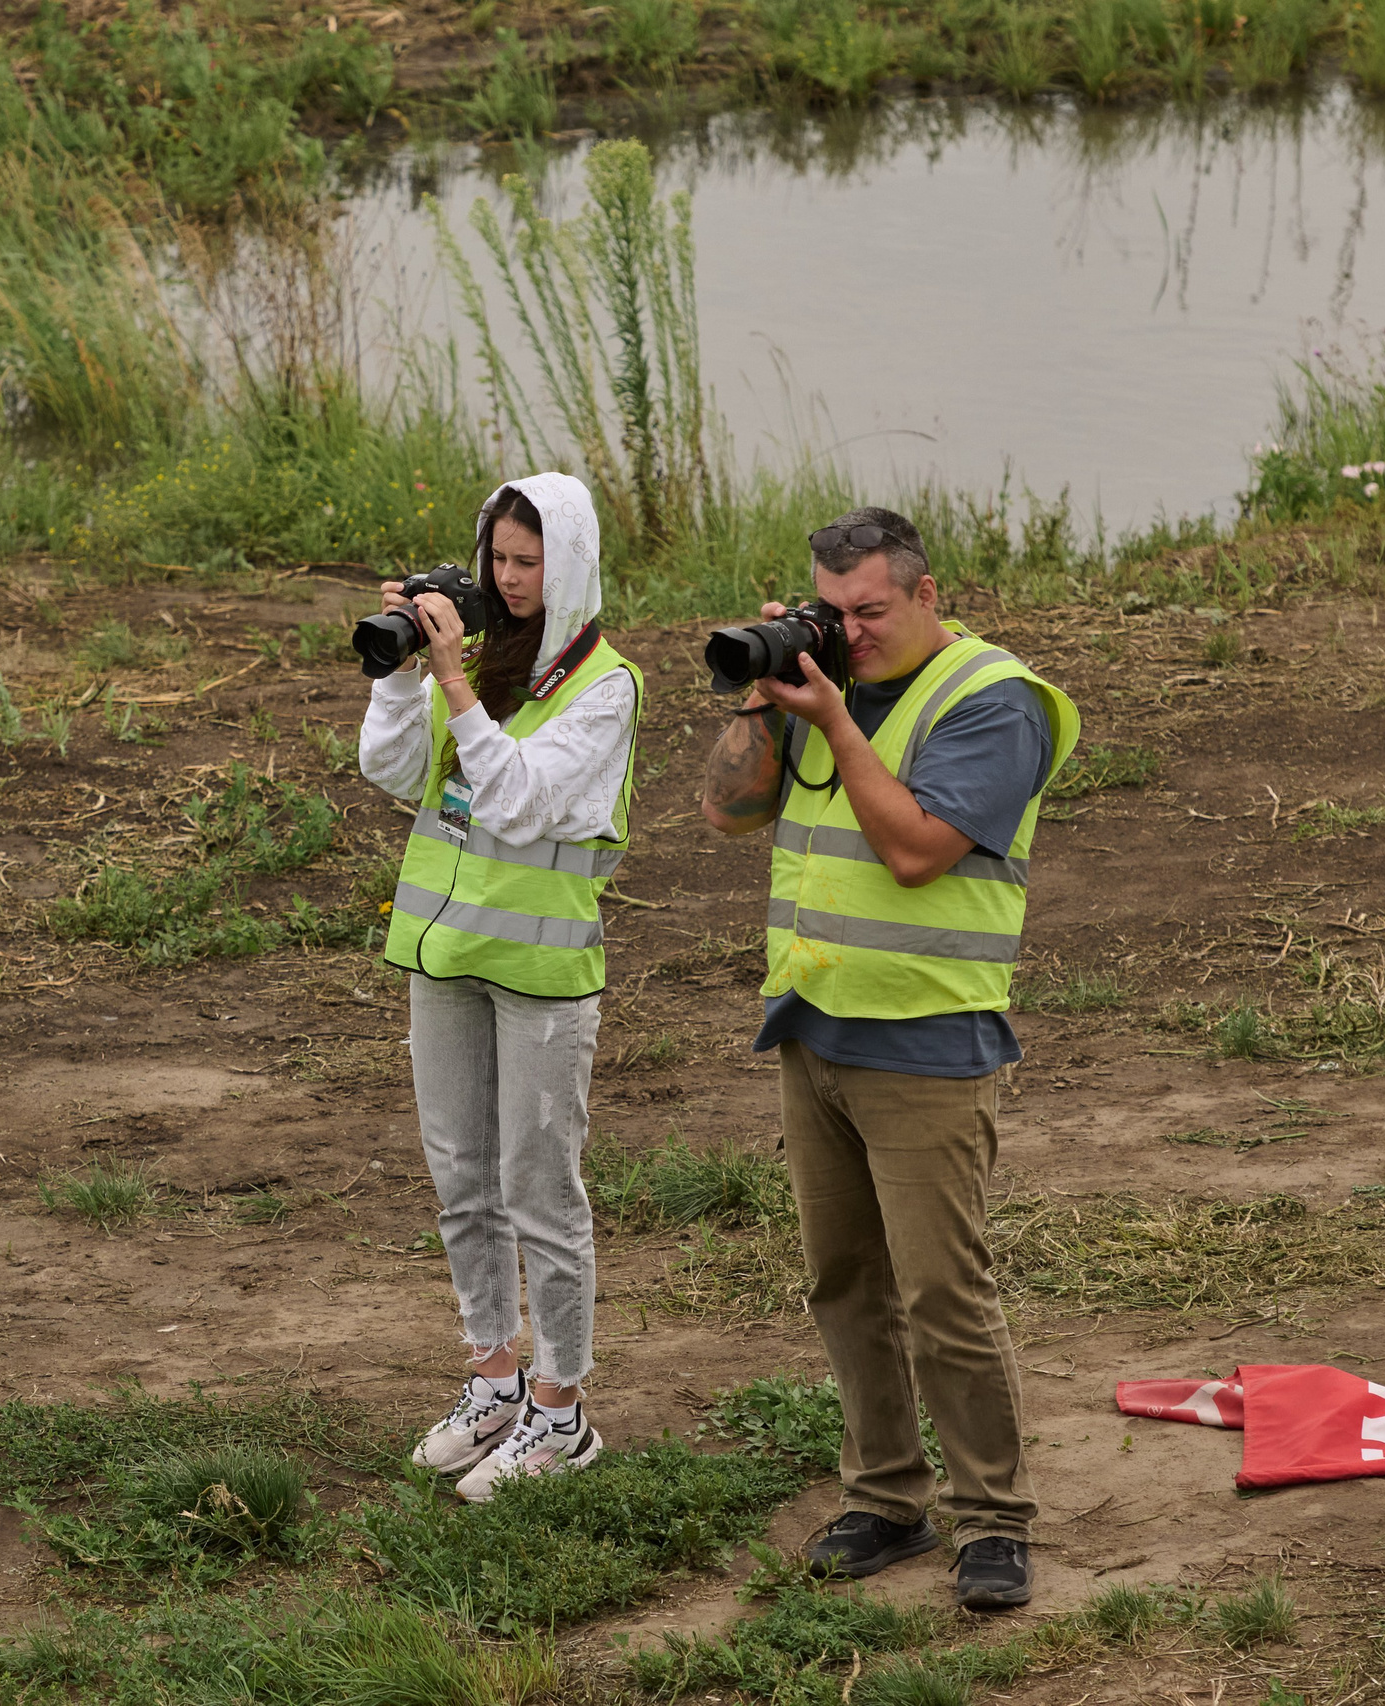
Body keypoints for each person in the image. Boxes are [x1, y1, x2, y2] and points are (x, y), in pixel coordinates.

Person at [697, 507, 1079, 1611]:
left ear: (925, 593)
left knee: (943, 1291)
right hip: (812, 1024)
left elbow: (916, 852)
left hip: (926, 1041)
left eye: (870, 610)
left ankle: (993, 1518)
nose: (850, 631)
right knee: (845, 1282)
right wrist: (765, 694)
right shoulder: (827, 683)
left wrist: (835, 718)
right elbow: (725, 811)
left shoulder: (994, 699)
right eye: (832, 609)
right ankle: (886, 1497)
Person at [358, 472, 642, 1504]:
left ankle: (562, 1413)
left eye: (528, 561)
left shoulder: (605, 686)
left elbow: (518, 800)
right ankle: (494, 1379)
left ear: (569, 564)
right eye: (497, 558)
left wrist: (454, 680)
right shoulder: (479, 659)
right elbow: (396, 774)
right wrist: (403, 675)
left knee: (539, 1189)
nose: (508, 578)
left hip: (539, 973)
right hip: (444, 955)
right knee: (461, 1179)